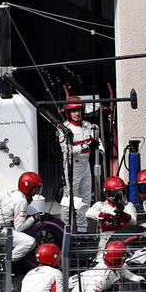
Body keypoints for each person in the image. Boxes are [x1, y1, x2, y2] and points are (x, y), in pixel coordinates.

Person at [0, 171, 48, 265]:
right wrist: (34, 217)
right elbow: (20, 227)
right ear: (27, 187)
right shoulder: (21, 201)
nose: (37, 191)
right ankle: (5, 263)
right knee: (30, 242)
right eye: (35, 188)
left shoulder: (14, 193)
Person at [59, 97, 98, 233]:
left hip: (85, 164)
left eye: (79, 110)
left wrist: (100, 149)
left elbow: (96, 142)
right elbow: (67, 151)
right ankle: (64, 228)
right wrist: (86, 146)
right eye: (74, 111)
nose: (77, 114)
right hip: (72, 167)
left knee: (86, 198)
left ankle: (82, 229)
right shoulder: (64, 128)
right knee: (69, 198)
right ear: (68, 113)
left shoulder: (88, 125)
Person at [86, 176, 137, 258]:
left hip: (124, 239)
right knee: (101, 261)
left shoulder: (128, 206)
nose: (119, 197)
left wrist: (124, 216)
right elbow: (88, 213)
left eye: (121, 193)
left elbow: (133, 221)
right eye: (116, 194)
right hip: (105, 240)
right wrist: (104, 216)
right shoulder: (101, 205)